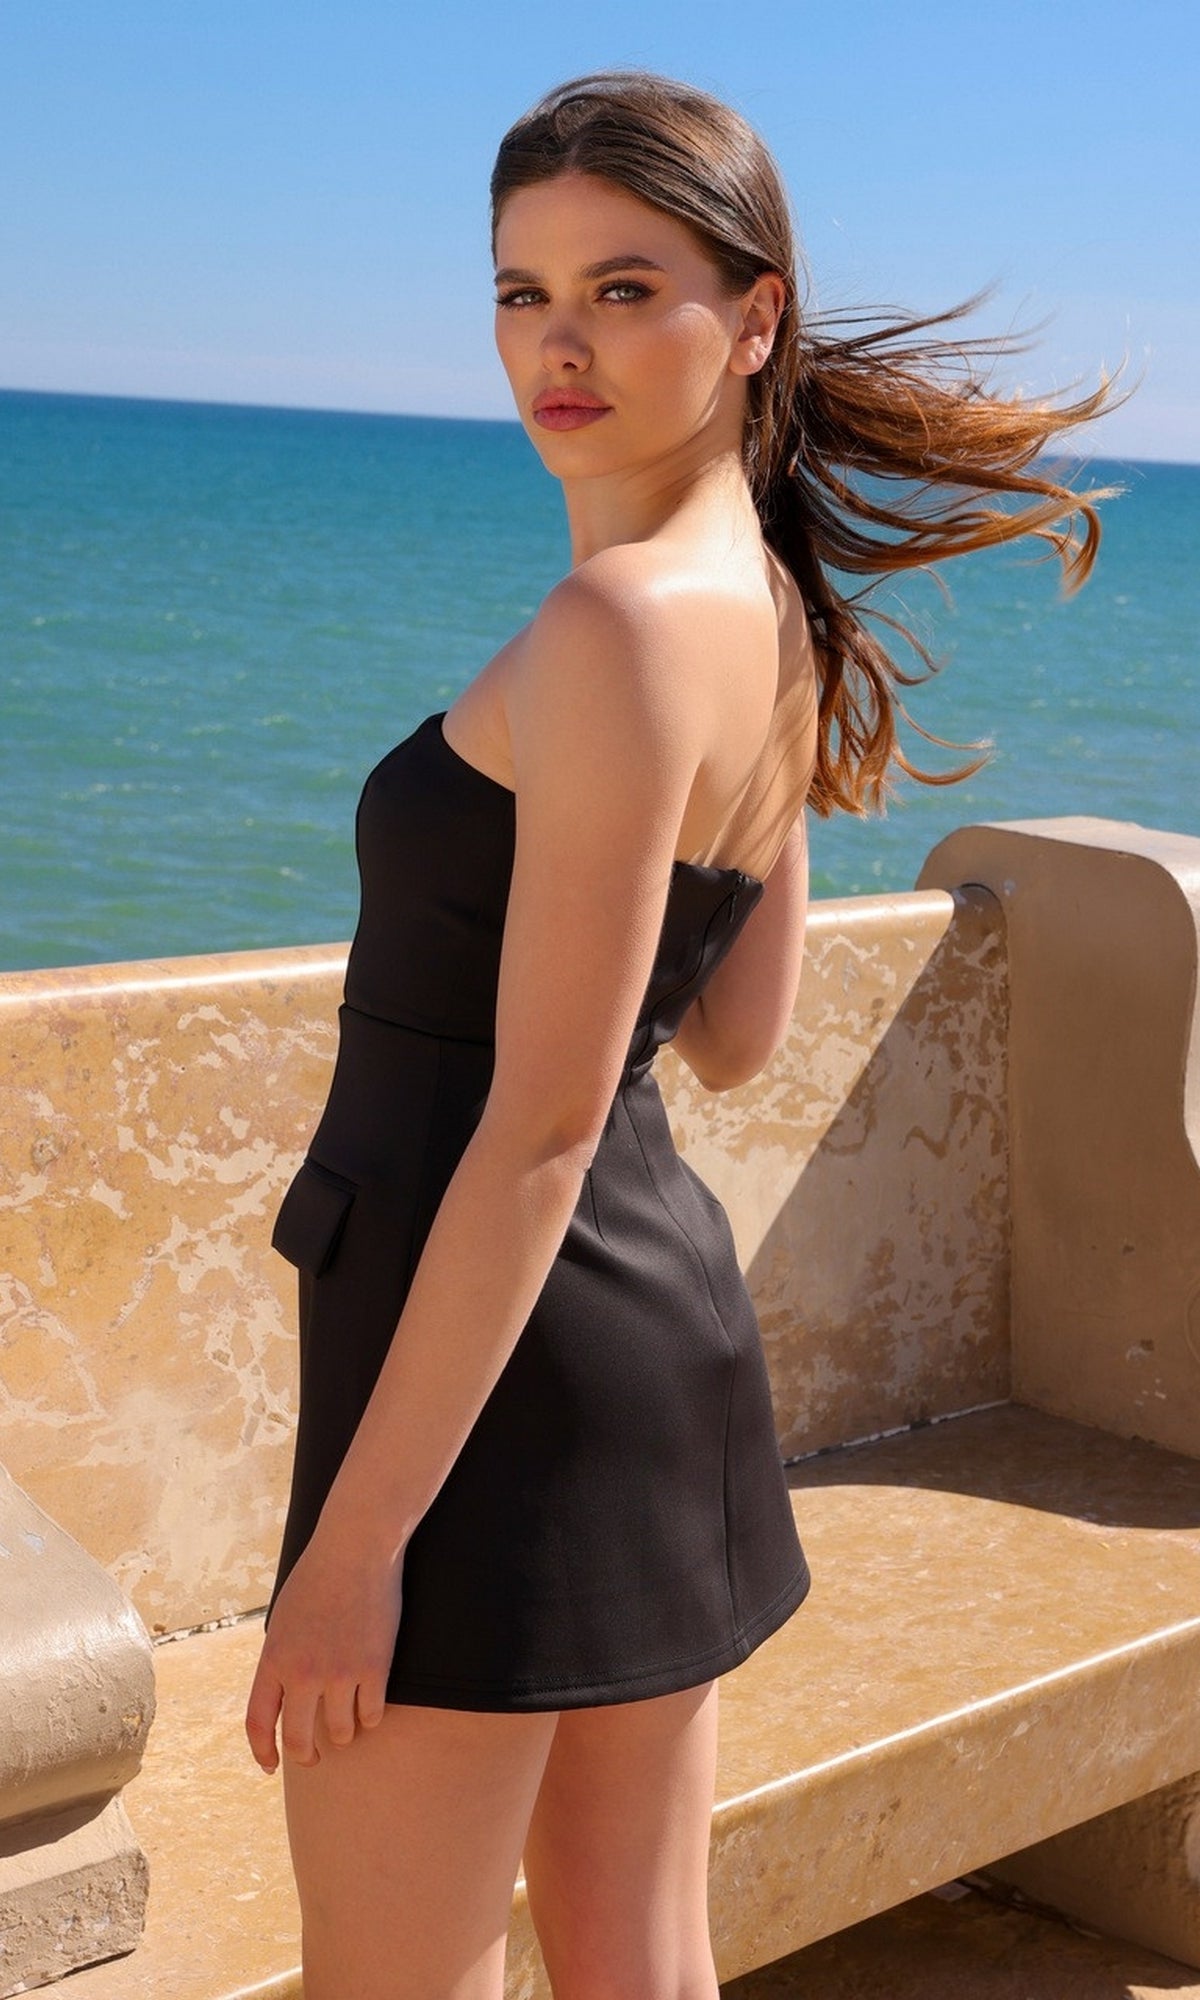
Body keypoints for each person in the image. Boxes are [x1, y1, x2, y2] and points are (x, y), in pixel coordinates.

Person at [245, 70, 1116, 2000]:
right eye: (520, 292)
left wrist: (354, 1548)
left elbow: (543, 1128)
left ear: (758, 316)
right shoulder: (769, 612)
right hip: (644, 1360)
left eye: (627, 288)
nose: (557, 344)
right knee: (641, 1959)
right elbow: (731, 1037)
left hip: (490, 1381)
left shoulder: (623, 628)